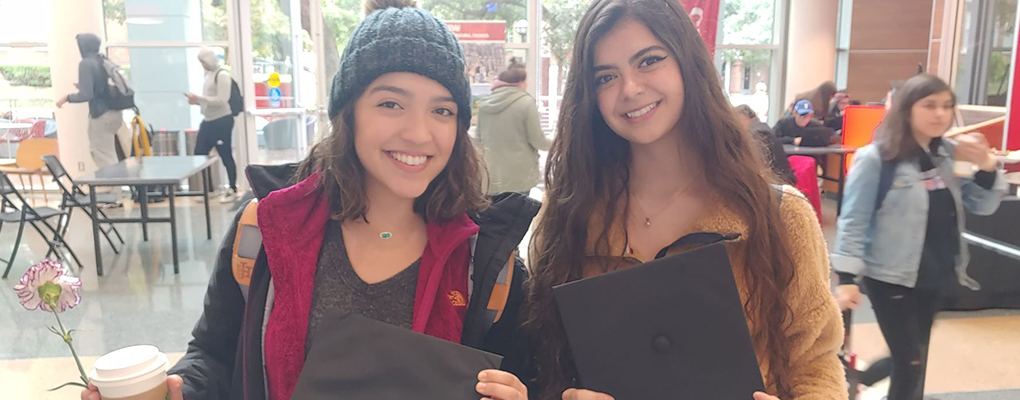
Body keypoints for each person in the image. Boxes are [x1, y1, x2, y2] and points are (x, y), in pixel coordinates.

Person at [80, 1, 536, 399]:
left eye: (442, 110)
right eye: (390, 104)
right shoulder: (265, 230)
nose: (419, 132)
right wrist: (178, 390)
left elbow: (520, 374)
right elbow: (214, 356)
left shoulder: (486, 261)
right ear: (348, 113)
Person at [521, 0, 846, 399]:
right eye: (605, 77)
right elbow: (541, 362)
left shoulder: (778, 215)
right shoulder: (564, 221)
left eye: (648, 61)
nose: (630, 89)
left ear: (687, 62)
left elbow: (815, 363)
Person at [832, 74, 1005, 400]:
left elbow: (983, 204)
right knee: (910, 362)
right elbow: (853, 221)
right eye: (930, 105)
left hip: (934, 273)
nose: (940, 114)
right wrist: (846, 278)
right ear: (907, 109)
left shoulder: (948, 156)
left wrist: (986, 165)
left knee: (915, 357)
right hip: (890, 277)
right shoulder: (876, 159)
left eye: (946, 106)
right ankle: (865, 378)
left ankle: (862, 377)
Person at [476, 60, 552, 194]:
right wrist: (558, 143)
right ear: (520, 82)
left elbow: (478, 140)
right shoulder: (526, 103)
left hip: (490, 175)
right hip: (519, 176)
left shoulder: (484, 104)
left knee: (492, 213)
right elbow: (537, 140)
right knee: (519, 214)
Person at [56, 33, 127, 170]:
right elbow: (102, 87)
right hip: (115, 113)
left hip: (101, 114)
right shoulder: (103, 61)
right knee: (110, 153)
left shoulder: (86, 63)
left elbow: (86, 95)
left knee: (102, 154)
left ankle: (116, 188)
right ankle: (117, 187)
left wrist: (66, 98)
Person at [186, 48, 239, 203]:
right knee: (200, 153)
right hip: (208, 120)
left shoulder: (222, 76)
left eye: (203, 61)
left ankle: (232, 188)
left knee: (225, 153)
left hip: (222, 120)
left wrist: (199, 99)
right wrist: (197, 101)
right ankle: (209, 189)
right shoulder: (208, 75)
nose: (202, 65)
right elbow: (209, 99)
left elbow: (222, 99)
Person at [735, 104, 796, 185]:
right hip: (781, 178)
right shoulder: (762, 128)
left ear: (744, 117)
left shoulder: (757, 134)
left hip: (778, 182)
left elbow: (757, 165)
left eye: (736, 120)